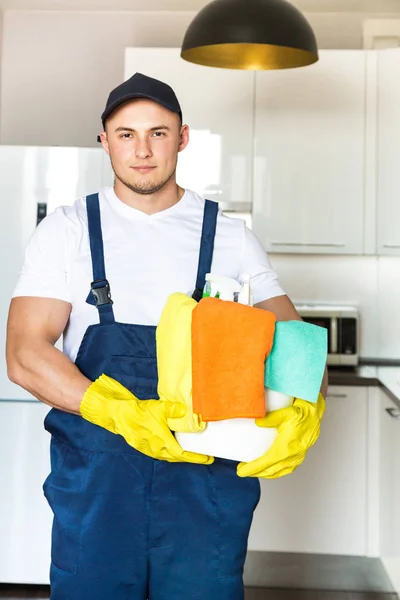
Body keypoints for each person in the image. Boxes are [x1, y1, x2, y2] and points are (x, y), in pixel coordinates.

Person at [6, 72, 328, 600]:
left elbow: (292, 343)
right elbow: (23, 354)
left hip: (206, 484)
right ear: (104, 141)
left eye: (158, 132)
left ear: (182, 137)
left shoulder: (228, 236)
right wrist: (123, 412)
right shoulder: (66, 230)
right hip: (98, 483)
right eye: (126, 134)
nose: (142, 150)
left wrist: (304, 410)